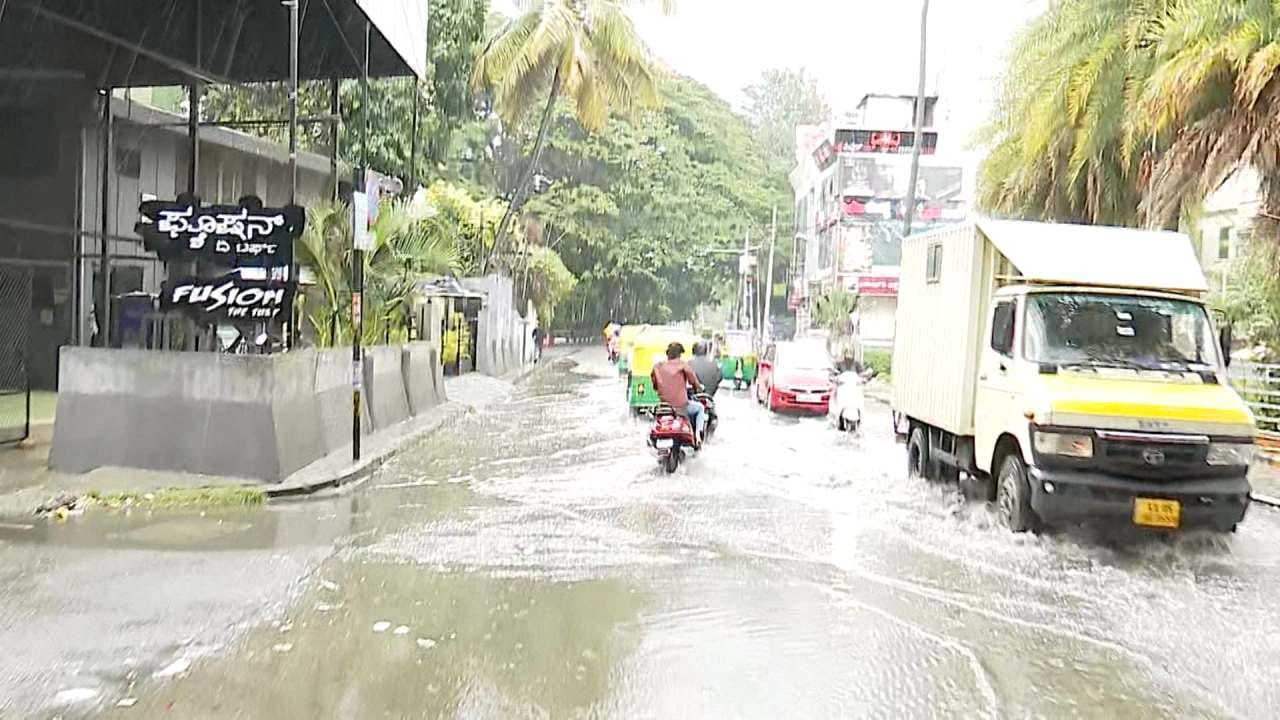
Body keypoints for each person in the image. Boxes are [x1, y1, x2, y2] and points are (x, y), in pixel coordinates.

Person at [651, 342, 706, 446]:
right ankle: (698, 435)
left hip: (664, 407)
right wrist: (699, 388)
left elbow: (655, 386)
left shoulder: (657, 367)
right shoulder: (683, 365)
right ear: (679, 354)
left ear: (667, 354)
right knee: (700, 408)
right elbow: (694, 382)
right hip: (681, 407)